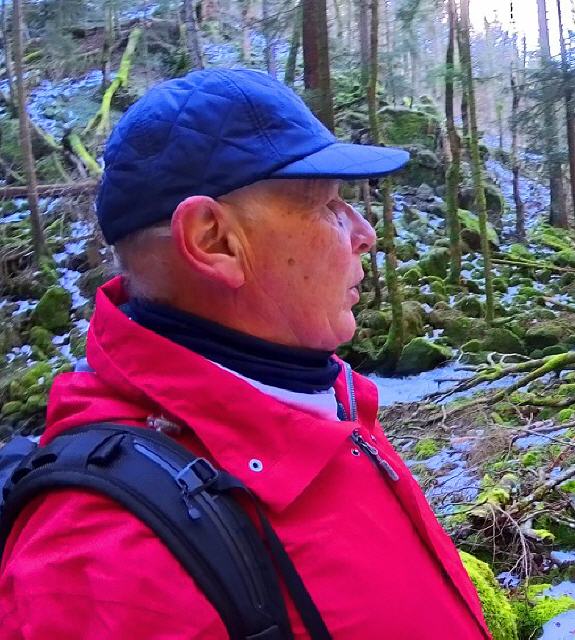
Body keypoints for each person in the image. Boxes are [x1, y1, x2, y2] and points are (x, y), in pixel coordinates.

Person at [0, 68, 489, 638]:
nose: (365, 233)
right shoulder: (107, 568)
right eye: (328, 205)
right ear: (213, 240)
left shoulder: (313, 396)